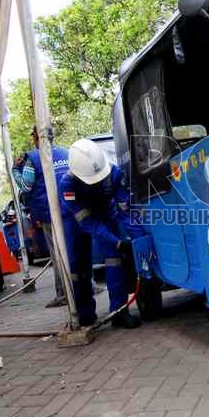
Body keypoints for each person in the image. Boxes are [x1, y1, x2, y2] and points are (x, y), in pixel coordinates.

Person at [59, 138, 143, 329]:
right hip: (75, 221)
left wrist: (138, 240)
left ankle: (119, 312)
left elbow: (126, 212)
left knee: (115, 260)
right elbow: (89, 224)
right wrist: (117, 242)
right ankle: (84, 313)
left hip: (105, 213)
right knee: (78, 267)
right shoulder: (67, 186)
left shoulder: (114, 174)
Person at [12, 127, 71, 307]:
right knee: (73, 250)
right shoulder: (66, 153)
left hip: (49, 213)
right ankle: (88, 286)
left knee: (58, 254)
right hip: (70, 209)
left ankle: (63, 294)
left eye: (33, 136)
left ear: (37, 138)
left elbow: (26, 186)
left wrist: (15, 169)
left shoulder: (34, 158)